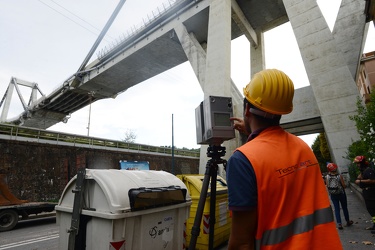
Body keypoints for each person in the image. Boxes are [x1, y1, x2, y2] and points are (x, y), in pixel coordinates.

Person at [226, 69, 342, 249]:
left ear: (247, 109)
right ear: (282, 111)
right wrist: (251, 132)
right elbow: (272, 152)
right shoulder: (303, 148)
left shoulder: (242, 161)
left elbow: (241, 242)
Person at [325, 162, 353, 230]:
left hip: (333, 194)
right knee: (344, 208)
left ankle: (339, 224)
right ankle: (348, 221)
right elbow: (344, 185)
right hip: (341, 194)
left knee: (336, 209)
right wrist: (344, 186)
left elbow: (327, 186)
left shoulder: (327, 176)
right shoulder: (339, 176)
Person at [354, 155, 375, 233]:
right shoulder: (363, 171)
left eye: (358, 163)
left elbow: (372, 180)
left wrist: (360, 181)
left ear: (362, 163)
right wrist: (360, 177)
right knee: (370, 209)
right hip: (366, 192)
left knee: (373, 208)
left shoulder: (369, 170)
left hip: (371, 192)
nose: (357, 165)